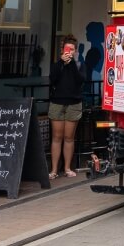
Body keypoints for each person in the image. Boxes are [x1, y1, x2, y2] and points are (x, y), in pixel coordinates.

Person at [48, 36, 85, 179]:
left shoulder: (80, 65)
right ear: (62, 50)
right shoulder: (57, 64)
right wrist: (61, 63)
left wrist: (71, 65)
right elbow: (53, 79)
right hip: (57, 102)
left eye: (72, 49)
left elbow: (80, 80)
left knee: (69, 137)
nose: (69, 52)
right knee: (57, 137)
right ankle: (54, 170)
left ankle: (67, 168)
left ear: (75, 51)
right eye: (66, 49)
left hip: (74, 103)